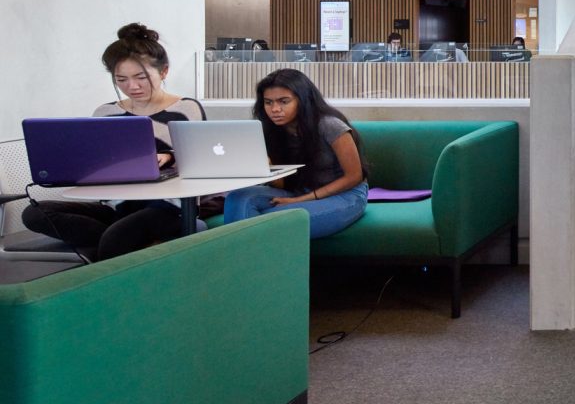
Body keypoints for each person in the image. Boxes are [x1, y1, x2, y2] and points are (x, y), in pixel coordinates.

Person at [22, 23, 206, 261]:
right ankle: (126, 242)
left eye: (141, 77)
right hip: (116, 206)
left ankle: (114, 246)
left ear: (163, 72)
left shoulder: (186, 109)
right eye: (121, 79)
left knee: (116, 238)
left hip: (167, 208)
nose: (132, 87)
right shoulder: (105, 113)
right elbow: (95, 161)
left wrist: (169, 156)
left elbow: (202, 162)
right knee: (35, 214)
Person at [222, 69, 368, 239]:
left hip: (345, 195)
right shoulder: (270, 130)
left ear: (303, 100)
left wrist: (302, 200)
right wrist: (266, 168)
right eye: (268, 102)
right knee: (238, 198)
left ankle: (239, 253)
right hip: (298, 191)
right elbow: (283, 185)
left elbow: (354, 176)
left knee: (264, 222)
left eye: (284, 101)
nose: (275, 109)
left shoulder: (330, 125)